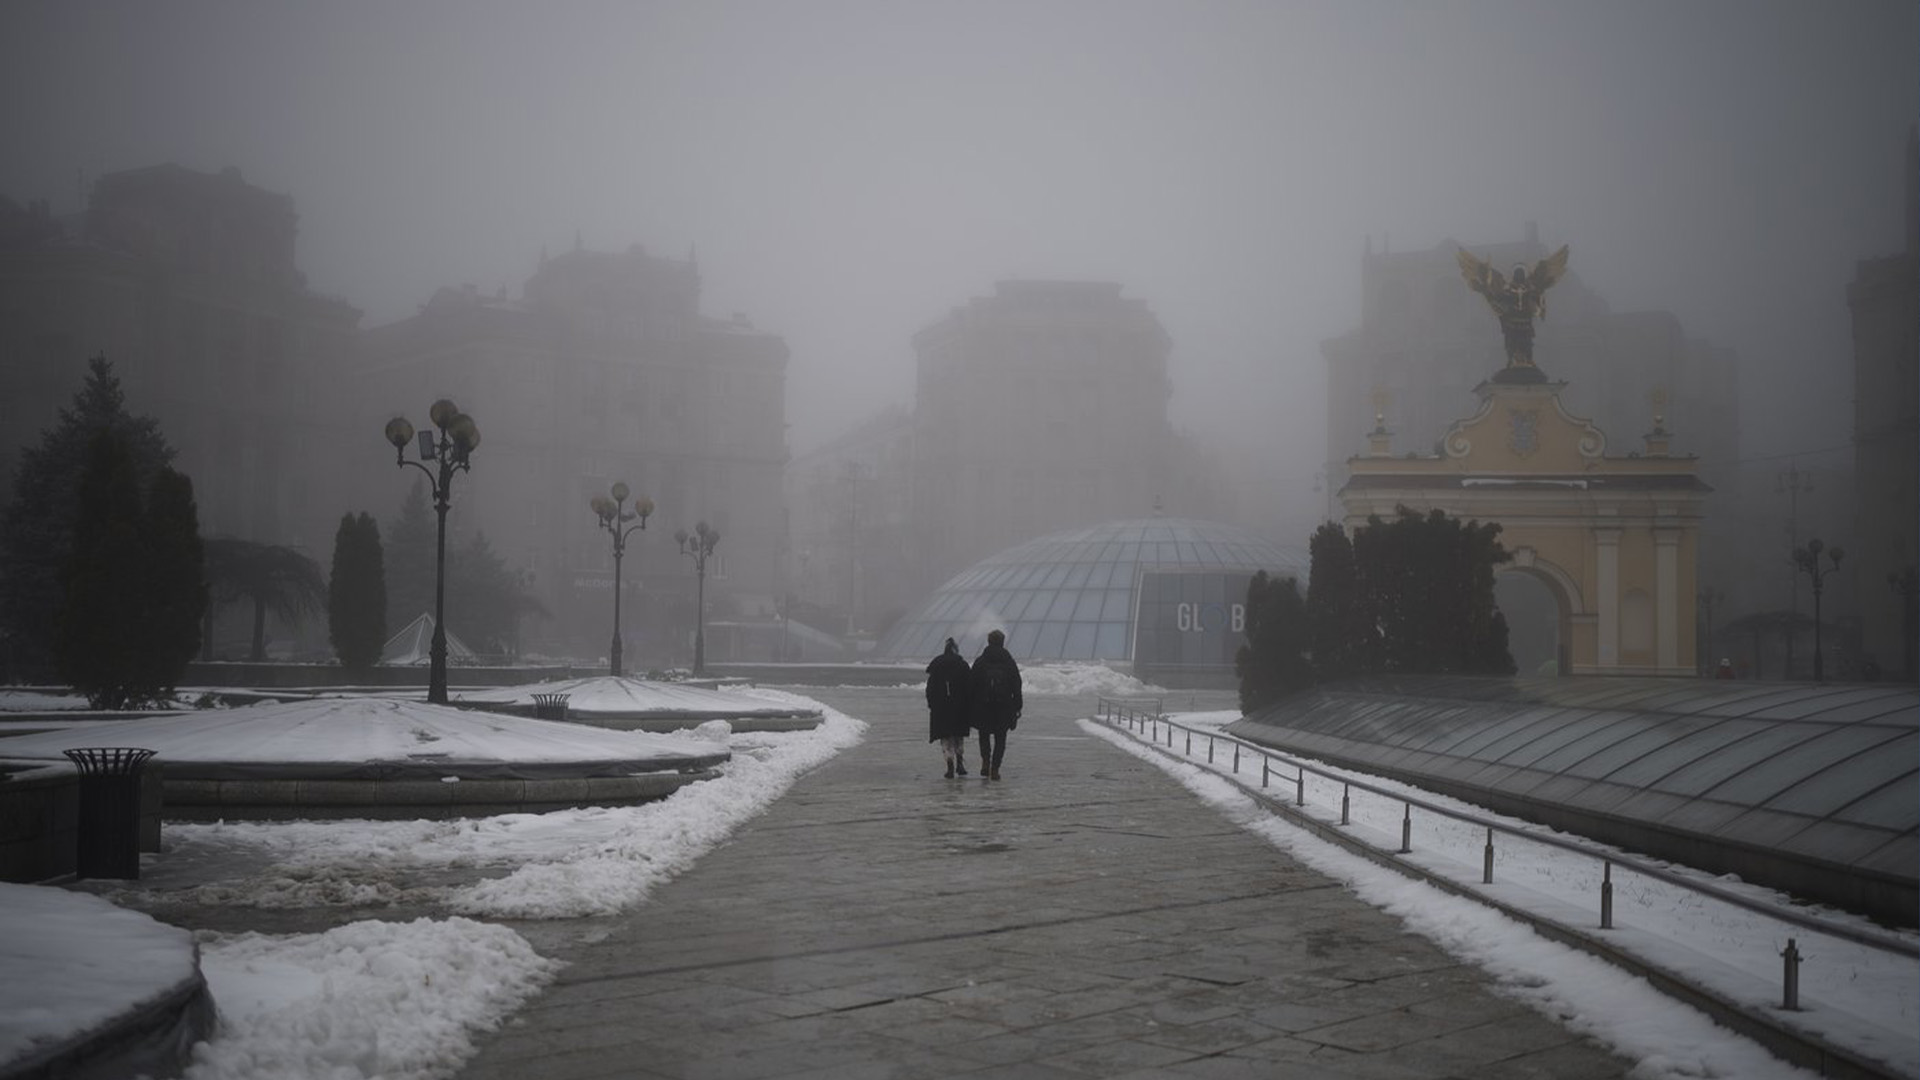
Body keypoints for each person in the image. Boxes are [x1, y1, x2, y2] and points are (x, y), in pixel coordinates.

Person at [970, 628, 1022, 781]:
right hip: (1004, 706)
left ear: (988, 641)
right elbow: (1016, 685)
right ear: (1003, 642)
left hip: (983, 706)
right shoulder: (1009, 662)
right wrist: (1018, 705)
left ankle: (985, 762)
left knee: (984, 735)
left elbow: (972, 684)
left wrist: (972, 704)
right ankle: (995, 768)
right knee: (1001, 738)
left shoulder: (980, 661)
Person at [925, 637, 972, 778]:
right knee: (958, 735)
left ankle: (949, 765)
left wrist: (932, 704)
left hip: (941, 708)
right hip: (960, 706)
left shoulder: (937, 665)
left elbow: (930, 688)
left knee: (945, 737)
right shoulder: (962, 665)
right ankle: (960, 763)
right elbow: (969, 686)